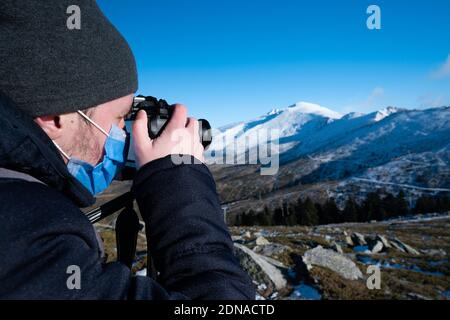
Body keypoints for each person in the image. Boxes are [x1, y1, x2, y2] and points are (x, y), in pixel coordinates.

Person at [0, 0, 255, 299]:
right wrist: (178, 181)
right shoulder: (34, 242)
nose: (125, 133)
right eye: (121, 118)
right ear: (55, 118)